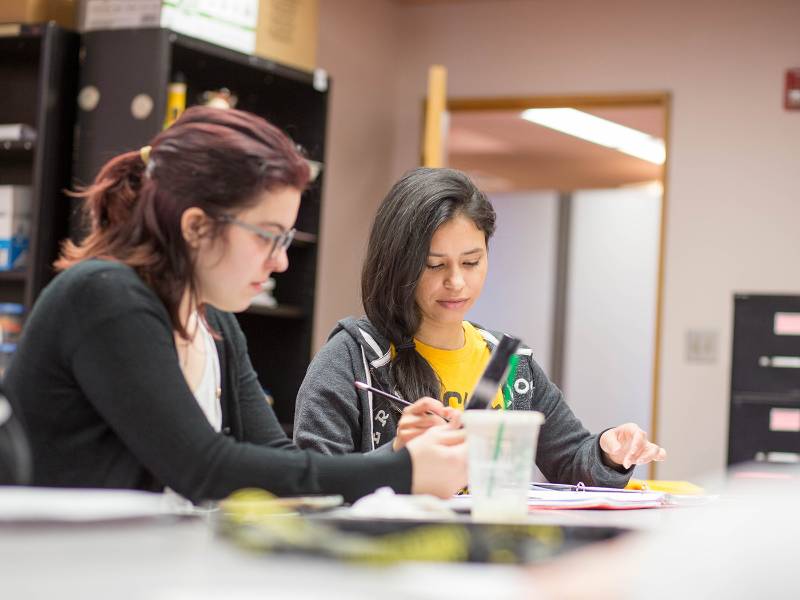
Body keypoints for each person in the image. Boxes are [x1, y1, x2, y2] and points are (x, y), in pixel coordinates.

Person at [2, 108, 466, 504]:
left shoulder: (213, 321)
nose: (281, 261)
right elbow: (205, 468)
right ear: (196, 227)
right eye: (268, 237)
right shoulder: (105, 296)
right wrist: (401, 472)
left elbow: (276, 461)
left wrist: (396, 457)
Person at [294, 167, 665, 487]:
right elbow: (312, 484)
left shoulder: (507, 363)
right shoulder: (353, 358)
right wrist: (395, 455)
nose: (457, 282)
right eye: (435, 265)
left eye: (471, 262)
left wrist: (609, 452)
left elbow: (571, 461)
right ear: (398, 264)